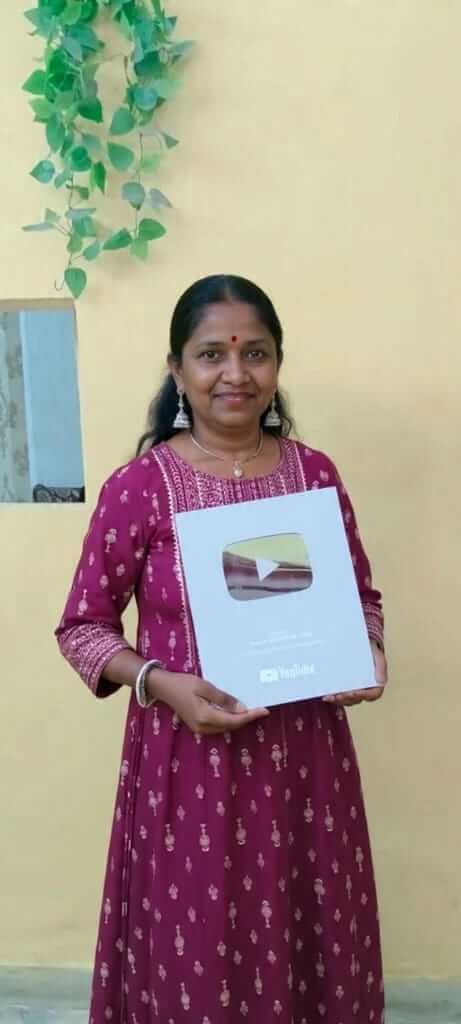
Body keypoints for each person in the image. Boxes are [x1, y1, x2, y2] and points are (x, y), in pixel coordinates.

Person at [56, 274, 387, 1024]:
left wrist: (367, 649)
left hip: (306, 763)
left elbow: (361, 598)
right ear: (177, 370)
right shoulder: (139, 487)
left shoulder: (314, 474)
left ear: (276, 365)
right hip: (188, 766)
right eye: (211, 354)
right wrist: (158, 681)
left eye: (255, 353)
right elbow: (82, 628)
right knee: (195, 951)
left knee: (313, 938)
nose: (235, 373)